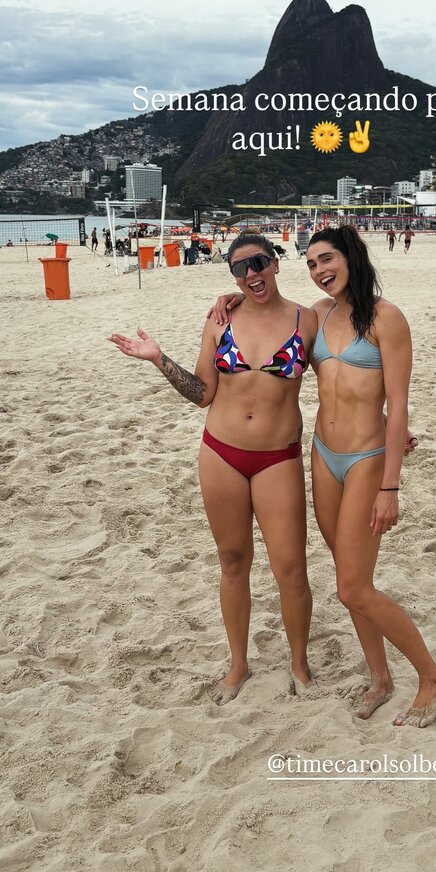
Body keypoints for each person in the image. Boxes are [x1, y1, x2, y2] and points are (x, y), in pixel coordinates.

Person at [211, 229, 436, 728]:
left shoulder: (387, 318)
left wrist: (391, 485)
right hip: (322, 455)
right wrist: (229, 298)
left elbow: (398, 404)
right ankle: (380, 678)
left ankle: (431, 678)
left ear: (351, 258)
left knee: (353, 587)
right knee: (348, 575)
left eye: (327, 259)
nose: (320, 270)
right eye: (313, 263)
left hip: (366, 460)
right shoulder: (318, 315)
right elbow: (271, 317)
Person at [108, 233, 318, 705]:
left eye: (259, 262)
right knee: (232, 560)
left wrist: (384, 419)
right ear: (232, 276)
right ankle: (238, 663)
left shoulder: (307, 320)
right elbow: (203, 393)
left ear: (276, 263)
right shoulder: (220, 320)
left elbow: (343, 374)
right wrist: (158, 359)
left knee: (290, 567)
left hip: (278, 456)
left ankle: (300, 664)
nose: (251, 274)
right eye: (239, 269)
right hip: (221, 454)